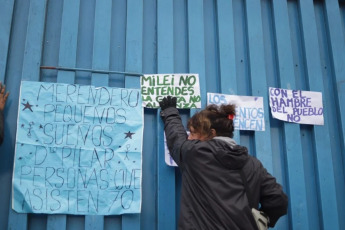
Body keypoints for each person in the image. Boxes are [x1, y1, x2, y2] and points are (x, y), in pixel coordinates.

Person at [159, 96, 288, 230]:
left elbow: (177, 141)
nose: (189, 138)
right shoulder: (253, 164)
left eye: (192, 133)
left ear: (211, 133)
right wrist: (264, 219)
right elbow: (278, 200)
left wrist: (170, 112)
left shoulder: (195, 154)